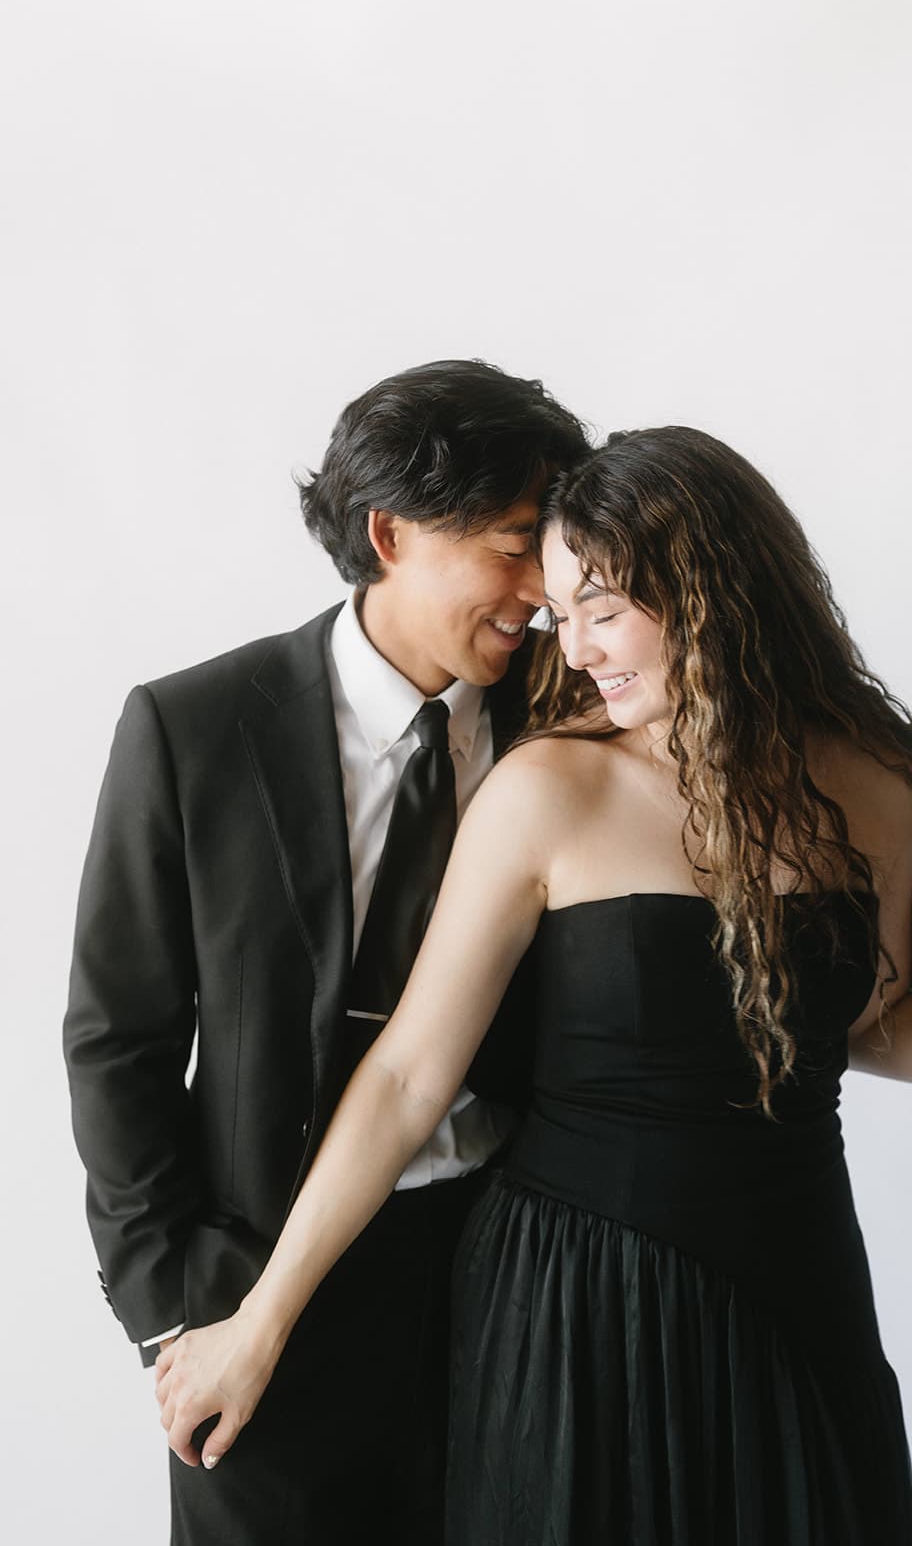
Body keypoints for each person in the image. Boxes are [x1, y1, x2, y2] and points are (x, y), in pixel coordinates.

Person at [153, 426, 912, 1543]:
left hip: (797, 1275)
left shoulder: (870, 783)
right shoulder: (549, 788)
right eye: (560, 609)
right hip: (576, 1300)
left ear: (712, 590)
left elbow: (867, 1022)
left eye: (604, 606)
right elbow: (404, 1075)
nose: (573, 646)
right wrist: (258, 1322)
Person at [62, 359, 590, 1544]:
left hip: (511, 1274)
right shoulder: (189, 728)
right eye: (513, 546)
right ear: (388, 533)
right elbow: (117, 1041)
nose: (542, 593)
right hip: (256, 1294)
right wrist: (177, 1312)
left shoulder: (573, 716)